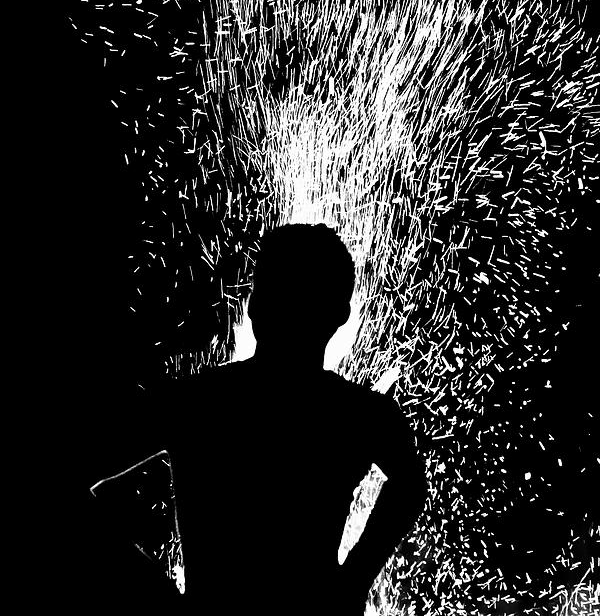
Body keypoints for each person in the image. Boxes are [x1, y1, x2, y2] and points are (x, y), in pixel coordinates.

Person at [91, 223, 427, 614]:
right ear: (340, 314)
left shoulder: (195, 401)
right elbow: (411, 486)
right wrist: (355, 578)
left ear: (254, 305)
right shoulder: (363, 414)